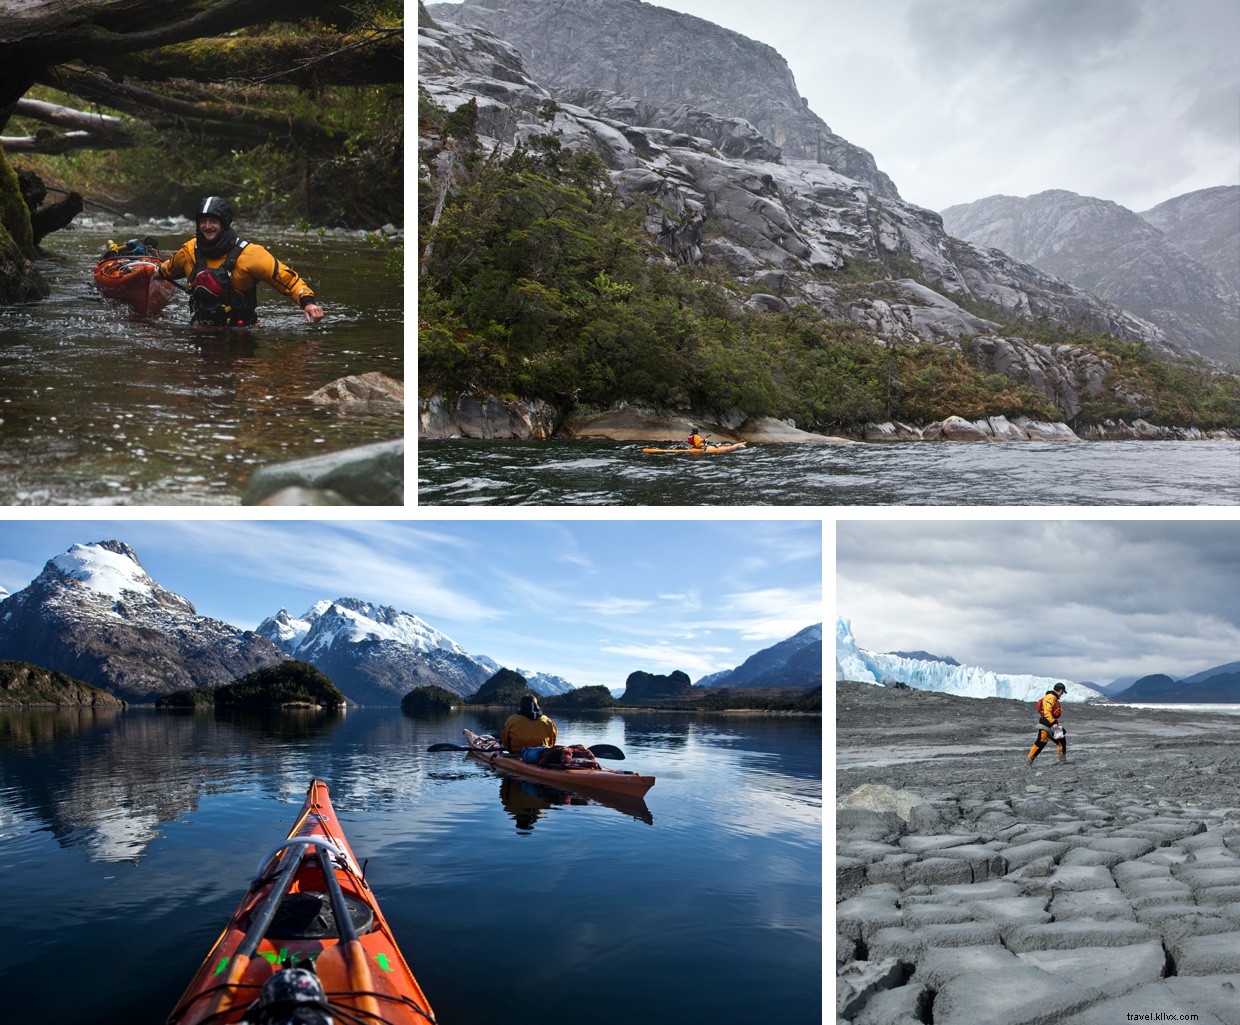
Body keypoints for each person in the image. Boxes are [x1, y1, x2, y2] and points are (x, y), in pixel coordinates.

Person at [158, 196, 325, 327]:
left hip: (241, 335)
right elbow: (165, 271)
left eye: (213, 221)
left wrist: (308, 303)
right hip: (201, 332)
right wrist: (149, 272)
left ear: (224, 223)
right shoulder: (189, 251)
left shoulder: (251, 255)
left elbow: (288, 280)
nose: (207, 226)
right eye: (203, 221)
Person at [502, 694, 558, 760]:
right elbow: (552, 742)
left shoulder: (512, 720)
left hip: (517, 754)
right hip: (541, 755)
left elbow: (505, 741)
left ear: (521, 706)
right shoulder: (548, 721)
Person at [1026, 682, 1068, 765]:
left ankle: (1062, 760)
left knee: (1061, 740)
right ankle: (1029, 760)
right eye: (1062, 692)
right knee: (1041, 742)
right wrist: (1053, 723)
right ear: (1060, 691)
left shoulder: (1052, 697)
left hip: (1048, 723)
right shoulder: (1050, 698)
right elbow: (1047, 712)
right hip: (1047, 724)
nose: (1062, 694)